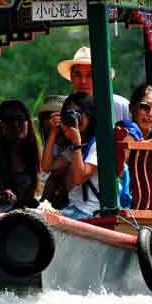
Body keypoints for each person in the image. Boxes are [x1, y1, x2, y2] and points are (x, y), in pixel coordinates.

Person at [42, 92, 102, 220]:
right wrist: (53, 132)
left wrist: (76, 143)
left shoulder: (98, 144)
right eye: (69, 113)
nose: (74, 117)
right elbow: (47, 166)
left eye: (78, 113)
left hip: (90, 211)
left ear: (90, 116)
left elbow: (79, 178)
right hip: (74, 208)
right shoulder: (76, 146)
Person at [56, 46, 131, 123]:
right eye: (78, 75)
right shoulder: (64, 107)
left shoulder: (120, 105)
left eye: (90, 75)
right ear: (71, 78)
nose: (83, 81)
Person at [0, 100, 40, 209]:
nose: (15, 124)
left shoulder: (31, 154)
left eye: (20, 119)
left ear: (28, 122)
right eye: (9, 120)